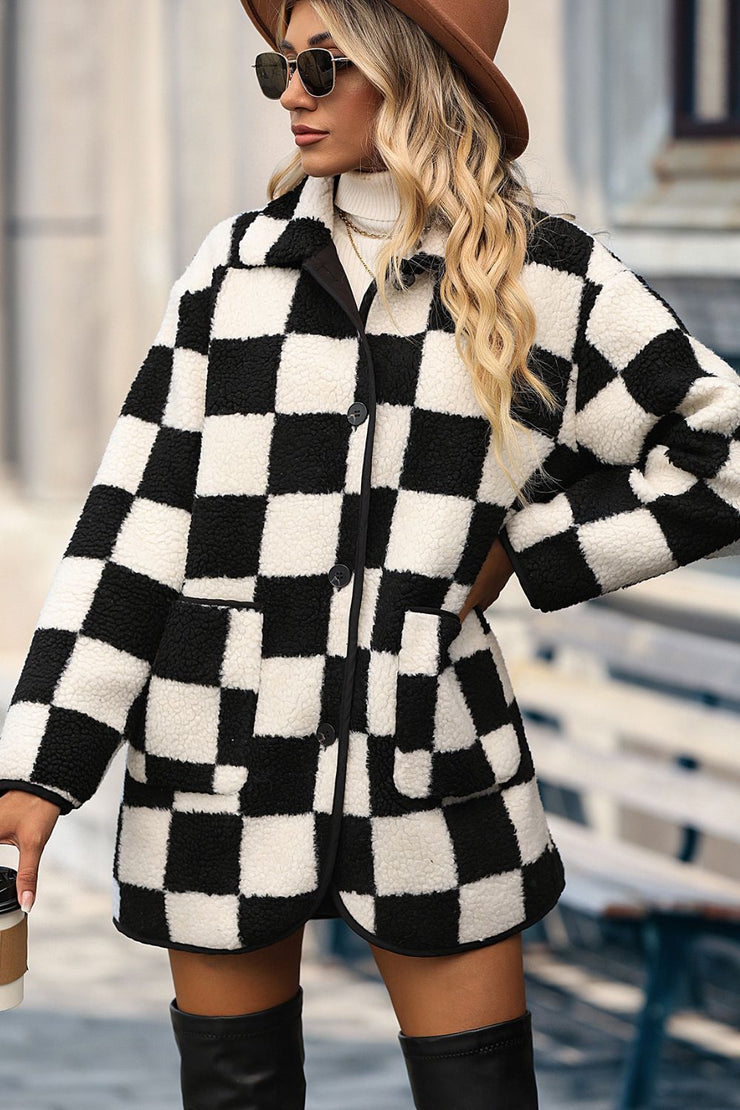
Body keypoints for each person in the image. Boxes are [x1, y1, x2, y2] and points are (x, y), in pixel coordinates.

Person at [1, 0, 739, 1106]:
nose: (292, 95)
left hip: (430, 764)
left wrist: (526, 548)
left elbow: (719, 449)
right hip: (217, 760)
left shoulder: (545, 278)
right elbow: (134, 523)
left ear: (416, 73)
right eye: (279, 68)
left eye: (323, 66)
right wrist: (39, 765)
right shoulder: (235, 271)